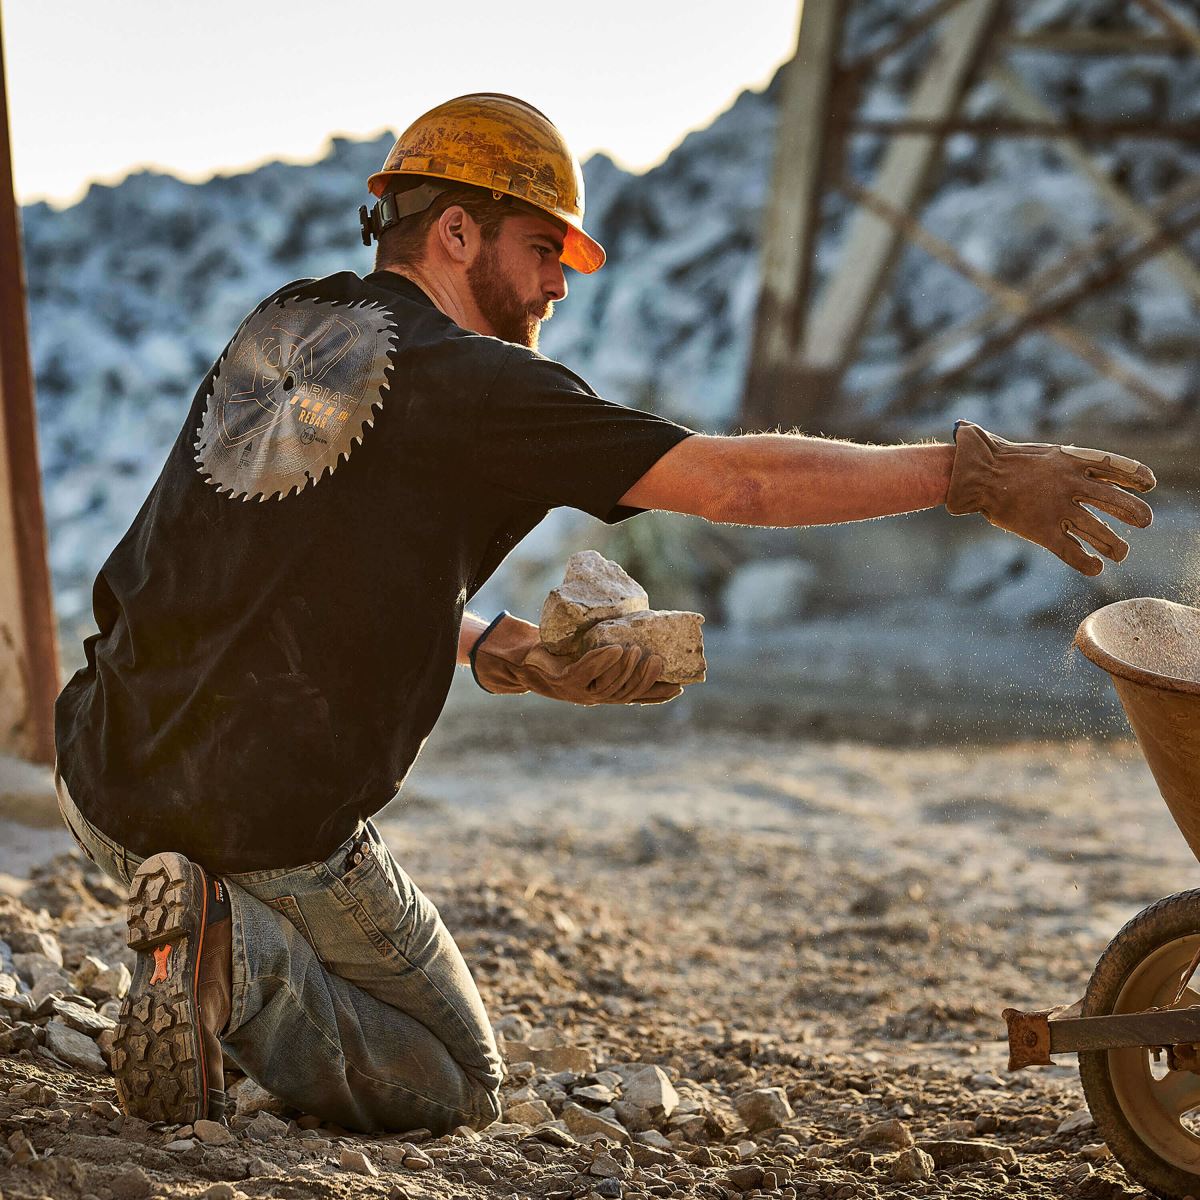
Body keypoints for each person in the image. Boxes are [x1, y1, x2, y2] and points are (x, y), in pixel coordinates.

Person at [53, 93, 1155, 1134]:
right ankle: (225, 958)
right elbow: (737, 483)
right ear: (453, 235)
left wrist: (500, 648)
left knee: (276, 913)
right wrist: (971, 475)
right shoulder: (480, 385)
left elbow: (286, 582)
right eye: (542, 250)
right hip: (265, 823)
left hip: (105, 772)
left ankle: (199, 936)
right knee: (454, 1072)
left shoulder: (284, 328)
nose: (557, 288)